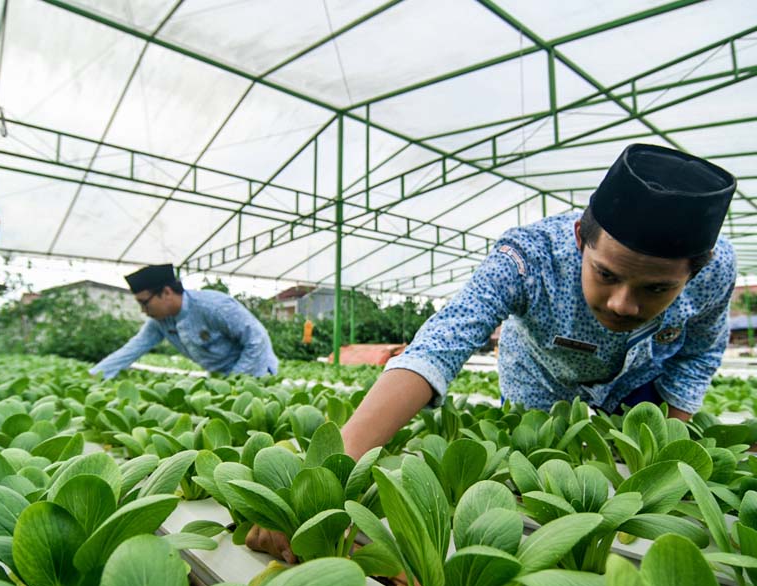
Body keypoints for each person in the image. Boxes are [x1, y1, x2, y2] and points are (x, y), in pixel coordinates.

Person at [246, 142, 738, 560]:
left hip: (641, 382)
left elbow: (699, 353)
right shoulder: (526, 259)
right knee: (538, 486)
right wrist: (323, 486)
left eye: (655, 289)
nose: (622, 304)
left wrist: (666, 447)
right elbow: (439, 345)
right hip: (540, 385)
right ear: (579, 239)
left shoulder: (716, 272)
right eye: (606, 274)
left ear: (697, 270)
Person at [90, 264, 278, 379]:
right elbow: (132, 349)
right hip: (221, 377)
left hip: (257, 370)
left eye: (144, 303)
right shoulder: (161, 322)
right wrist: (95, 375)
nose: (143, 310)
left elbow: (257, 340)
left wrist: (236, 380)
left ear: (166, 292)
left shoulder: (214, 306)